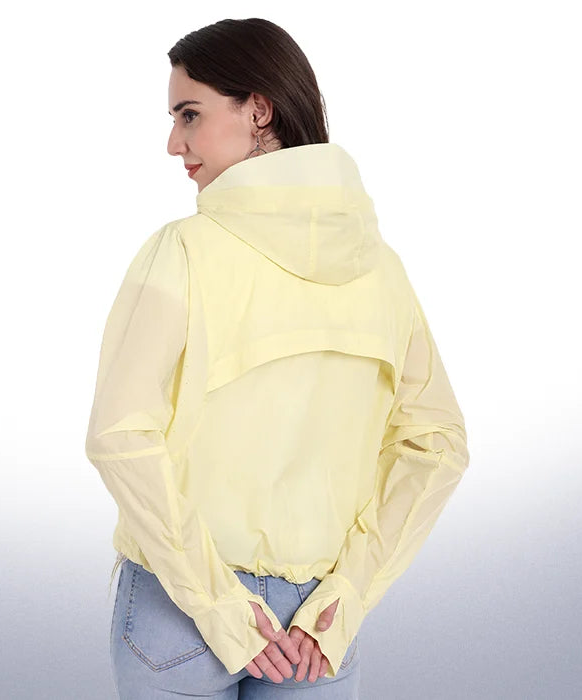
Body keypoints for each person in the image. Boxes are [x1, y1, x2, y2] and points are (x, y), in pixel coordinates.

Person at [84, 17, 470, 700]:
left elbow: (119, 436)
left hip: (181, 611)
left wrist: (217, 602)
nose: (173, 143)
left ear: (259, 110)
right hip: (315, 624)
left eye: (189, 115)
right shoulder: (382, 270)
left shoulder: (182, 252)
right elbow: (437, 444)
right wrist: (346, 594)